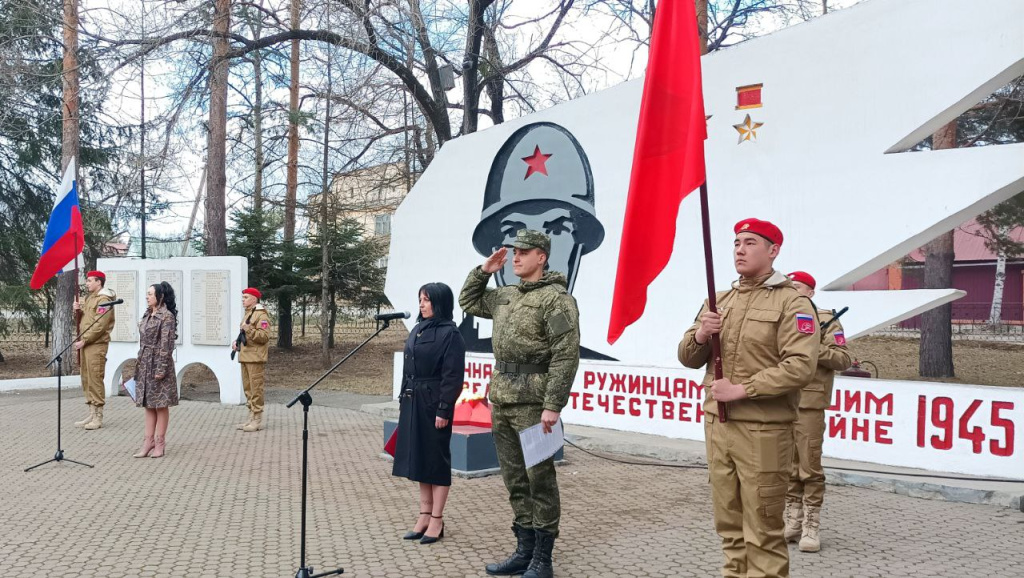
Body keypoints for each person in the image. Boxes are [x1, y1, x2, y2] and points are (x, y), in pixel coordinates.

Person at [679, 218, 820, 578]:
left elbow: (801, 366)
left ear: (773, 251)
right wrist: (700, 335)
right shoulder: (719, 300)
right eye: (737, 242)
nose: (740, 249)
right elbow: (687, 357)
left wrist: (742, 389)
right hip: (719, 426)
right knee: (729, 527)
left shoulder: (794, 303)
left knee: (763, 532)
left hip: (763, 431)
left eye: (751, 242)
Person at [459, 229, 580, 578]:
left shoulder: (557, 300)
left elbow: (564, 356)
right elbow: (468, 301)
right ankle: (524, 550)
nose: (516, 257)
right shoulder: (505, 296)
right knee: (514, 478)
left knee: (539, 478)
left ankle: (544, 558)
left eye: (524, 252)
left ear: (541, 257)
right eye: (514, 252)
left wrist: (553, 405)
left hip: (534, 401)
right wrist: (483, 271)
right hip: (503, 396)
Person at [392, 282, 467, 545]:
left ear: (440, 303)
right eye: (420, 299)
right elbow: (408, 367)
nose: (422, 304)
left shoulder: (451, 334)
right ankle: (423, 514)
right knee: (419, 459)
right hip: (413, 400)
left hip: (433, 402)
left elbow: (453, 376)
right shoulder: (418, 329)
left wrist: (444, 408)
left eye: (427, 300)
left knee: (436, 461)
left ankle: (437, 519)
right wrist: (403, 397)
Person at [783, 271, 852, 553]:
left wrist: (812, 348)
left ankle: (811, 523)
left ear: (810, 292)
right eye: (788, 288)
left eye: (797, 287)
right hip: (779, 400)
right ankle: (792, 518)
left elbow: (843, 358)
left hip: (809, 403)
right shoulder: (781, 318)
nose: (791, 292)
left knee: (809, 467)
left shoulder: (826, 320)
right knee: (786, 466)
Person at [132, 282, 179, 459]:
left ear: (160, 296)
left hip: (159, 362)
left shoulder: (166, 317)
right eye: (147, 293)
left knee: (160, 404)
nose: (147, 296)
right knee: (148, 404)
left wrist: (161, 368)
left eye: (150, 294)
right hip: (145, 362)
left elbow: (166, 345)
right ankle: (148, 441)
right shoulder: (147, 314)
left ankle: (160, 443)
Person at [72, 270, 116, 430]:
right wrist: (78, 310)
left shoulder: (105, 300)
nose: (87, 283)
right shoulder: (91, 298)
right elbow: (88, 319)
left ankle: (98, 416)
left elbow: (99, 325)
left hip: (96, 345)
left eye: (90, 280)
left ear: (99, 282)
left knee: (95, 377)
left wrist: (85, 340)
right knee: (87, 377)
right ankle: (91, 412)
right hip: (87, 344)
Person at [231, 287, 271, 432]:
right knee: (248, 389)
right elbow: (245, 333)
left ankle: (257, 419)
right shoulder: (249, 313)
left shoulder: (261, 315)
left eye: (246, 297)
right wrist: (237, 342)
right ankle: (250, 417)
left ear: (254, 299)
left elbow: (264, 337)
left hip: (255, 357)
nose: (243, 300)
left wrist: (248, 329)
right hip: (246, 355)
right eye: (243, 297)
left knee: (256, 389)